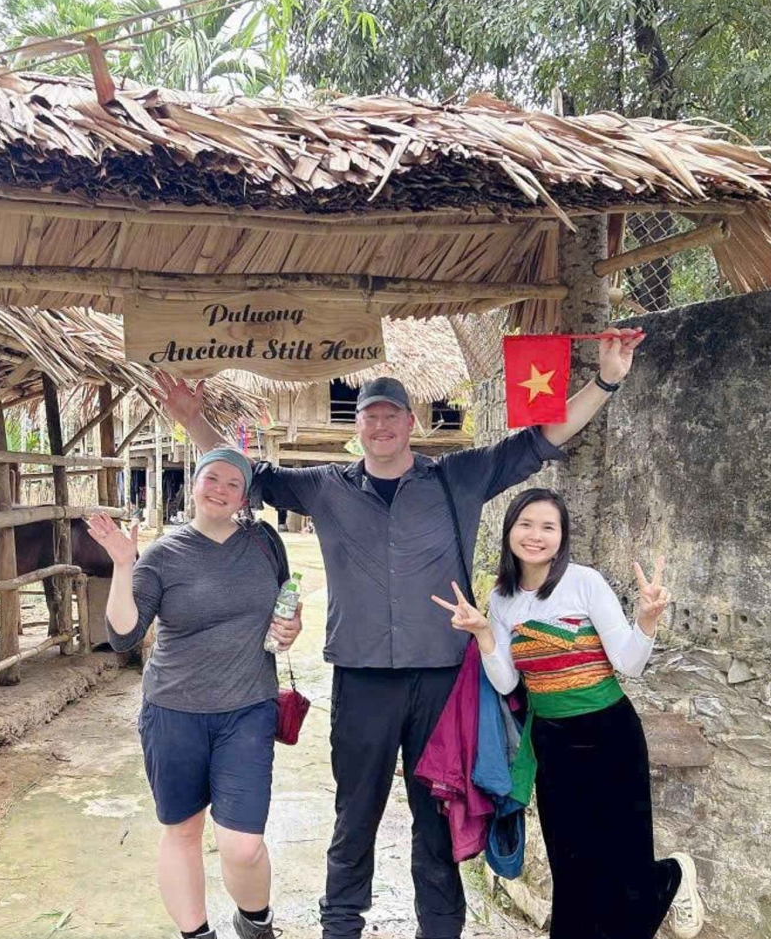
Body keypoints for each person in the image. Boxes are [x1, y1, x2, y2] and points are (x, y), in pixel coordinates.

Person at [153, 329, 642, 939]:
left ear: (411, 422)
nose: (380, 425)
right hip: (361, 681)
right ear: (358, 426)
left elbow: (542, 440)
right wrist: (196, 424)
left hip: (443, 680)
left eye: (391, 415)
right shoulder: (326, 487)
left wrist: (607, 379)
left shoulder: (457, 478)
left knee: (435, 819)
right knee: (353, 817)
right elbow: (243, 476)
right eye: (369, 416)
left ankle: (438, 930)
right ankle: (341, 928)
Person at [433, 487, 705, 938]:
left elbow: (629, 663)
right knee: (573, 871)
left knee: (624, 865)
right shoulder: (502, 600)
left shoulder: (584, 582)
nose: (535, 535)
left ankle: (672, 875)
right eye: (526, 524)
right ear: (509, 531)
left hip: (611, 734)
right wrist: (483, 632)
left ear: (562, 537)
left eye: (548, 527)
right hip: (554, 744)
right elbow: (505, 682)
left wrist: (647, 621)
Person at [88, 447, 303, 939]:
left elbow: (284, 600)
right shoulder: (164, 554)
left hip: (248, 708)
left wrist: (291, 625)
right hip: (173, 711)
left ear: (245, 495)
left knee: (243, 844)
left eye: (233, 482)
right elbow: (123, 635)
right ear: (195, 483)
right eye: (212, 478)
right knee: (183, 831)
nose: (221, 489)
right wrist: (125, 564)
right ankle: (196, 933)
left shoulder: (266, 541)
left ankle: (256, 923)